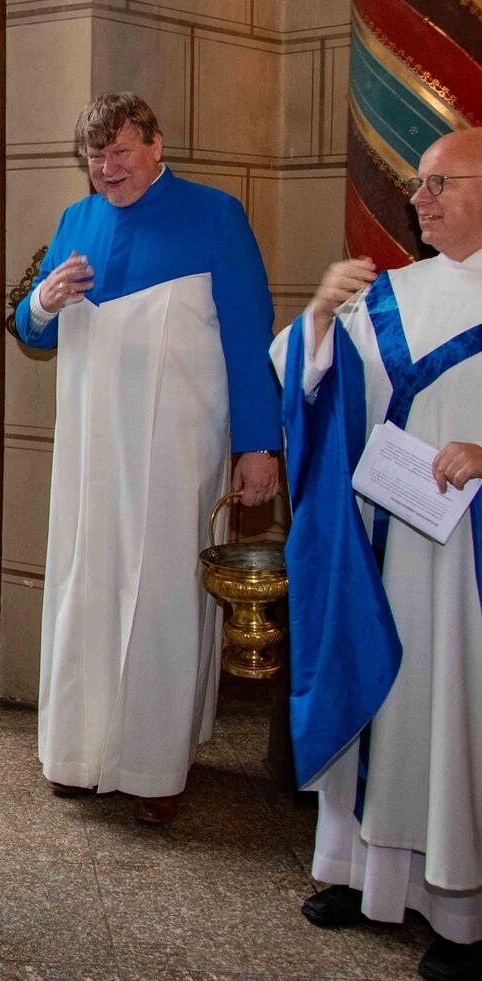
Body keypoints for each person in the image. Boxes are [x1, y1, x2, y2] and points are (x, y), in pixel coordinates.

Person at [13, 92, 282, 824]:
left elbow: (250, 336)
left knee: (162, 591)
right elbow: (32, 329)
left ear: (157, 145)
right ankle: (77, 748)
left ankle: (155, 762)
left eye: (122, 151)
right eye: (95, 157)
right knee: (85, 582)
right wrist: (40, 301)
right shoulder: (77, 220)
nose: (107, 168)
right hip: (89, 455)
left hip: (175, 452)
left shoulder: (215, 215)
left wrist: (258, 445)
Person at [271, 128, 482, 981]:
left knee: (451, 710)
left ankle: (458, 904)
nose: (420, 199)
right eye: (419, 184)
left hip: (467, 555)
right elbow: (306, 381)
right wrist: (320, 314)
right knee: (384, 695)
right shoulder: (390, 292)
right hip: (382, 543)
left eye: (441, 183)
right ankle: (364, 874)